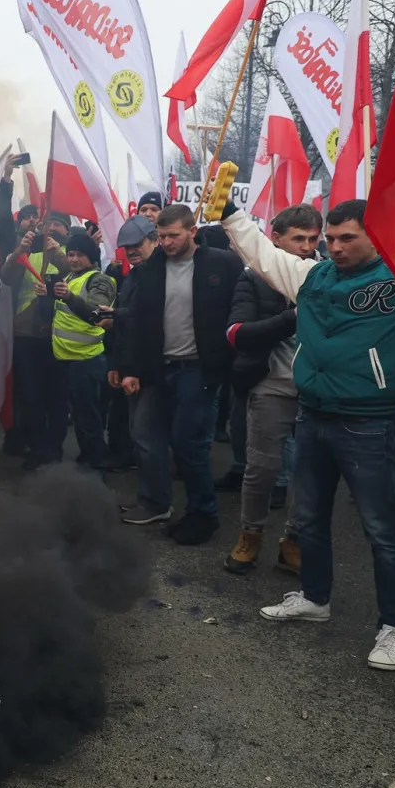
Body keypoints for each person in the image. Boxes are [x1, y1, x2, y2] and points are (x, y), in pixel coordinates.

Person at [223, 199, 395, 671]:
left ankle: (393, 628)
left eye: (347, 238)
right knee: (308, 518)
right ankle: (315, 597)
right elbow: (264, 256)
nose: (334, 247)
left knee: (381, 533)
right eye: (329, 239)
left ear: (376, 236)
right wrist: (229, 214)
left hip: (367, 423)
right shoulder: (314, 277)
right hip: (313, 415)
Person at [115, 204, 242, 544]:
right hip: (159, 369)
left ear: (192, 231)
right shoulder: (150, 269)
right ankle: (157, 503)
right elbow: (138, 322)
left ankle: (203, 514)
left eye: (174, 235)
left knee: (189, 444)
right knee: (148, 436)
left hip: (198, 369)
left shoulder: (222, 264)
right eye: (161, 236)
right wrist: (128, 368)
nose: (167, 243)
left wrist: (229, 360)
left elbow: (240, 309)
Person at [223, 204, 321, 576]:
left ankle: (293, 541)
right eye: (298, 239)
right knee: (261, 470)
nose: (307, 247)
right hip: (270, 387)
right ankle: (250, 536)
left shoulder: (327, 275)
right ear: (275, 239)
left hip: (318, 391)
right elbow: (238, 335)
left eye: (313, 239)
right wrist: (293, 317)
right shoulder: (253, 278)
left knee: (308, 473)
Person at [0, 205, 66, 467]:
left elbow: (76, 274)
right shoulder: (26, 249)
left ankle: (54, 450)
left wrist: (56, 253)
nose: (50, 229)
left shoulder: (69, 251)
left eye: (58, 225)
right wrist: (21, 249)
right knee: (30, 395)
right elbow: (7, 277)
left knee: (56, 397)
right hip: (26, 334)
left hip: (57, 334)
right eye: (46, 225)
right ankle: (37, 450)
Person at [48, 232, 115, 469]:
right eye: (71, 254)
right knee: (76, 418)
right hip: (64, 359)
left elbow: (96, 314)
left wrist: (68, 296)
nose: (74, 259)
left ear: (92, 257)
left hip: (86, 361)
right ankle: (86, 460)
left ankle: (96, 470)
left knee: (89, 420)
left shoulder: (99, 280)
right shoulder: (69, 276)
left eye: (80, 255)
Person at [101, 215, 158, 471]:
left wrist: (131, 371)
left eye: (137, 244)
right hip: (131, 366)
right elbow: (124, 329)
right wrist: (117, 366)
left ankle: (156, 500)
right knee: (139, 433)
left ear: (154, 240)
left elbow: (145, 321)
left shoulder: (160, 275)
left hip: (153, 369)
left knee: (148, 437)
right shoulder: (132, 276)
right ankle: (150, 497)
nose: (132, 251)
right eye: (127, 246)